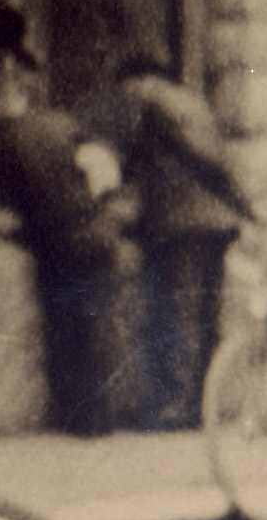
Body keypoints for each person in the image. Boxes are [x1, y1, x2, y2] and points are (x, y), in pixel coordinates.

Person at [0, 19, 142, 437]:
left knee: (67, 333)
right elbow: (99, 165)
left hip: (59, 245)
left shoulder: (5, 142)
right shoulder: (59, 123)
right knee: (95, 330)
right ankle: (100, 421)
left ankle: (80, 422)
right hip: (94, 230)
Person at [79, 48, 253, 430]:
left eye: (124, 85)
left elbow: (190, 157)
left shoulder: (151, 101)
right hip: (213, 223)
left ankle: (175, 408)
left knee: (177, 316)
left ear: (137, 80)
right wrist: (243, 206)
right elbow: (214, 160)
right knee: (204, 317)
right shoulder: (191, 102)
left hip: (181, 227)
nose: (123, 94)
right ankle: (201, 407)